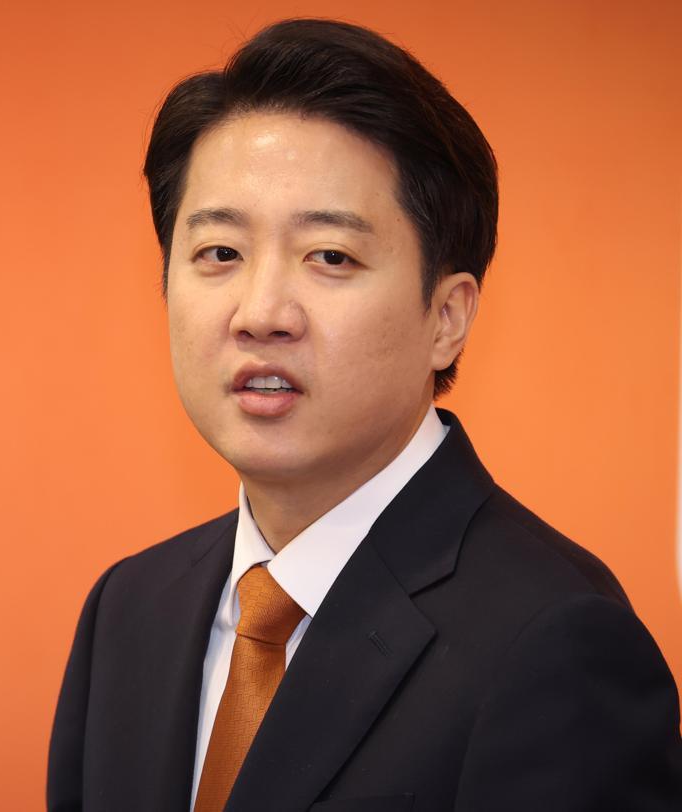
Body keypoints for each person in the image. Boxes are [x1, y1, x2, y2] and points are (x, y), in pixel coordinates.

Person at [46, 18, 682, 812]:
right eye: (220, 254)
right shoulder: (128, 609)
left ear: (446, 317)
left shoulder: (557, 643)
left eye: (331, 257)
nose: (261, 313)